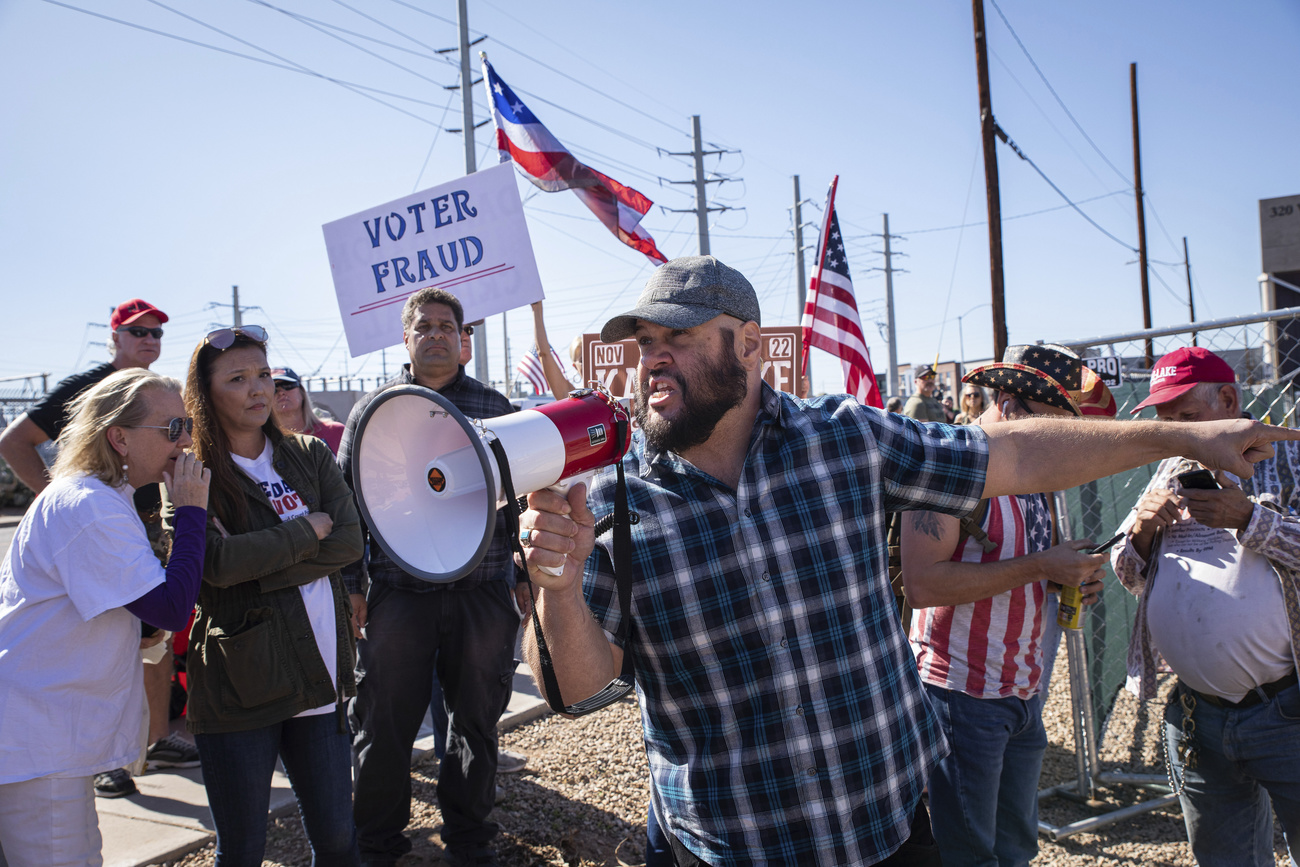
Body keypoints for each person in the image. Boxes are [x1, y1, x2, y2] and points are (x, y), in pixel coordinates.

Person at [517, 254, 1300, 867]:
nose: (654, 360)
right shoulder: (616, 496)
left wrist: (1178, 437)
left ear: (749, 345)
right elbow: (580, 687)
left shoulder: (845, 439)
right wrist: (554, 588)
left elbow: (1010, 456)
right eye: (645, 343)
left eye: (679, 338)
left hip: (889, 832)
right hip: (726, 845)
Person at [902, 344, 1113, 866]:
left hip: (1021, 689)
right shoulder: (947, 464)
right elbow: (922, 584)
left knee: (1015, 846)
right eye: (1057, 428)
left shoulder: (1035, 474)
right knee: (967, 853)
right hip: (960, 694)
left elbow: (1030, 561)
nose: (1065, 449)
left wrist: (1071, 579)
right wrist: (1044, 567)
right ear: (1015, 405)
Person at [340, 287, 525, 867]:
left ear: (464, 341)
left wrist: (521, 572)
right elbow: (348, 506)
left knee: (475, 722)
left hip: (482, 591)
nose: (438, 334)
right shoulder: (373, 413)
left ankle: (470, 841)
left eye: (449, 326)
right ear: (406, 337)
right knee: (385, 724)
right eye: (425, 325)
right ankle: (376, 844)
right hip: (400, 593)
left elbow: (523, 496)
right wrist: (352, 585)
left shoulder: (498, 408)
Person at [0, 368, 209, 864]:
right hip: (40, 743)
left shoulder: (96, 496)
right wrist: (191, 511)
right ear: (119, 437)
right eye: (171, 429)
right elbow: (171, 607)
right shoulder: (90, 505)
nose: (185, 441)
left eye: (188, 426)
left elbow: (128, 605)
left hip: (44, 735)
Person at [175, 325, 364, 866]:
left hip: (321, 675)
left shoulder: (308, 454)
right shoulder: (193, 472)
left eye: (262, 373)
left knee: (336, 840)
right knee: (242, 850)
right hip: (241, 689)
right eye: (237, 378)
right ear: (206, 394)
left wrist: (253, 560)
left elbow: (350, 542)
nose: (258, 389)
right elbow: (211, 566)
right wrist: (307, 533)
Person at [1111, 346, 1300, 867]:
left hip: (1286, 711)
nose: (1179, 436)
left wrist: (1251, 521)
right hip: (1199, 714)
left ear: (1229, 399)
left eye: (1188, 420)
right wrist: (1144, 534)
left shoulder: (1289, 461)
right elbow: (1128, 576)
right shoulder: (1169, 468)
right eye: (1167, 424)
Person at [270, 366, 345, 455]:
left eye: (288, 385)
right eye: (274, 388)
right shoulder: (264, 443)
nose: (281, 392)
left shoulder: (335, 431)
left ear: (302, 392)